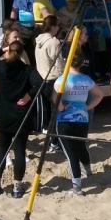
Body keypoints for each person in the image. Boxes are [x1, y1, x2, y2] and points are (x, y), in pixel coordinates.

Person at [0, 41, 42, 198]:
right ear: (22, 54)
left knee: (2, 150)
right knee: (19, 151)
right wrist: (28, 95)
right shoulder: (27, 70)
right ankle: (17, 187)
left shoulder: (1, 67)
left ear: (8, 51)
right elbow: (40, 84)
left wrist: (5, 48)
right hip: (20, 116)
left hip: (3, 116)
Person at [53, 49, 104, 195]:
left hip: (65, 119)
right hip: (82, 118)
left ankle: (77, 187)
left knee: (71, 154)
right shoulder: (86, 79)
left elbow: (56, 98)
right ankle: (88, 171)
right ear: (81, 63)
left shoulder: (62, 79)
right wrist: (88, 107)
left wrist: (62, 108)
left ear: (67, 62)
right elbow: (100, 94)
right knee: (81, 146)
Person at [35, 15, 66, 150]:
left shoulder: (38, 41)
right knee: (56, 112)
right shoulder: (53, 42)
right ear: (52, 27)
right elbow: (59, 64)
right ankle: (54, 142)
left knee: (48, 112)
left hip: (42, 78)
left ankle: (50, 140)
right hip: (53, 79)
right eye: (57, 25)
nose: (59, 28)